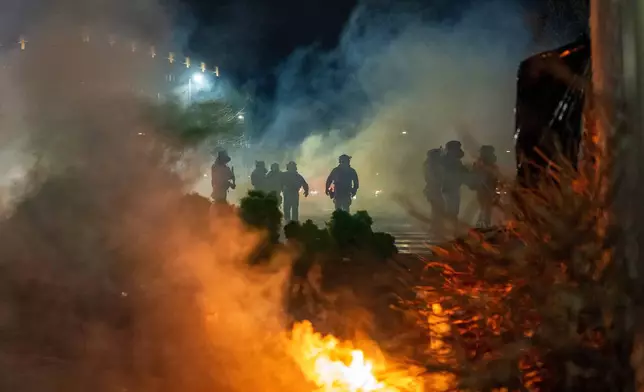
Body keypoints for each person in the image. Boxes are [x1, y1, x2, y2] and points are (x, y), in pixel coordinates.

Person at [472, 145, 500, 228]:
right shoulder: (479, 164)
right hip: (483, 189)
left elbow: (495, 176)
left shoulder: (489, 165)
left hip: (488, 189)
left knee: (486, 209)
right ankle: (482, 225)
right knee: (485, 208)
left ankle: (482, 225)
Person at [441, 141, 469, 221]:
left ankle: (451, 225)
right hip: (448, 188)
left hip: (453, 187)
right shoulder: (448, 161)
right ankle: (449, 226)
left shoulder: (452, 160)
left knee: (453, 209)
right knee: (451, 209)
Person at [423, 148, 445, 228]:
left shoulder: (430, 165)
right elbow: (434, 178)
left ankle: (436, 226)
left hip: (433, 189)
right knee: (437, 209)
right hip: (433, 189)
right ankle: (435, 226)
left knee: (437, 209)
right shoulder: (431, 166)